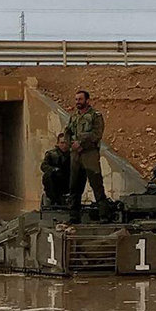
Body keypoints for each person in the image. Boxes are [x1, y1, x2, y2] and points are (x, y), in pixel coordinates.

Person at [64, 90, 110, 223]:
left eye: (80, 99)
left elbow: (97, 134)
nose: (77, 102)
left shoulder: (95, 116)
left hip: (90, 155)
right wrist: (71, 144)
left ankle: (104, 215)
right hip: (76, 156)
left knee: (96, 185)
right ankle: (74, 216)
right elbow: (67, 132)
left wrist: (82, 144)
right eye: (76, 99)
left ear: (87, 100)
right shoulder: (74, 117)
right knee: (74, 186)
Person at [40, 133, 71, 205]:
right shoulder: (51, 154)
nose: (64, 145)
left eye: (66, 143)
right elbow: (43, 166)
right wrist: (54, 170)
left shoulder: (72, 155)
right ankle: (53, 199)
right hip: (55, 182)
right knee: (48, 175)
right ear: (58, 143)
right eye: (62, 143)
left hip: (68, 181)